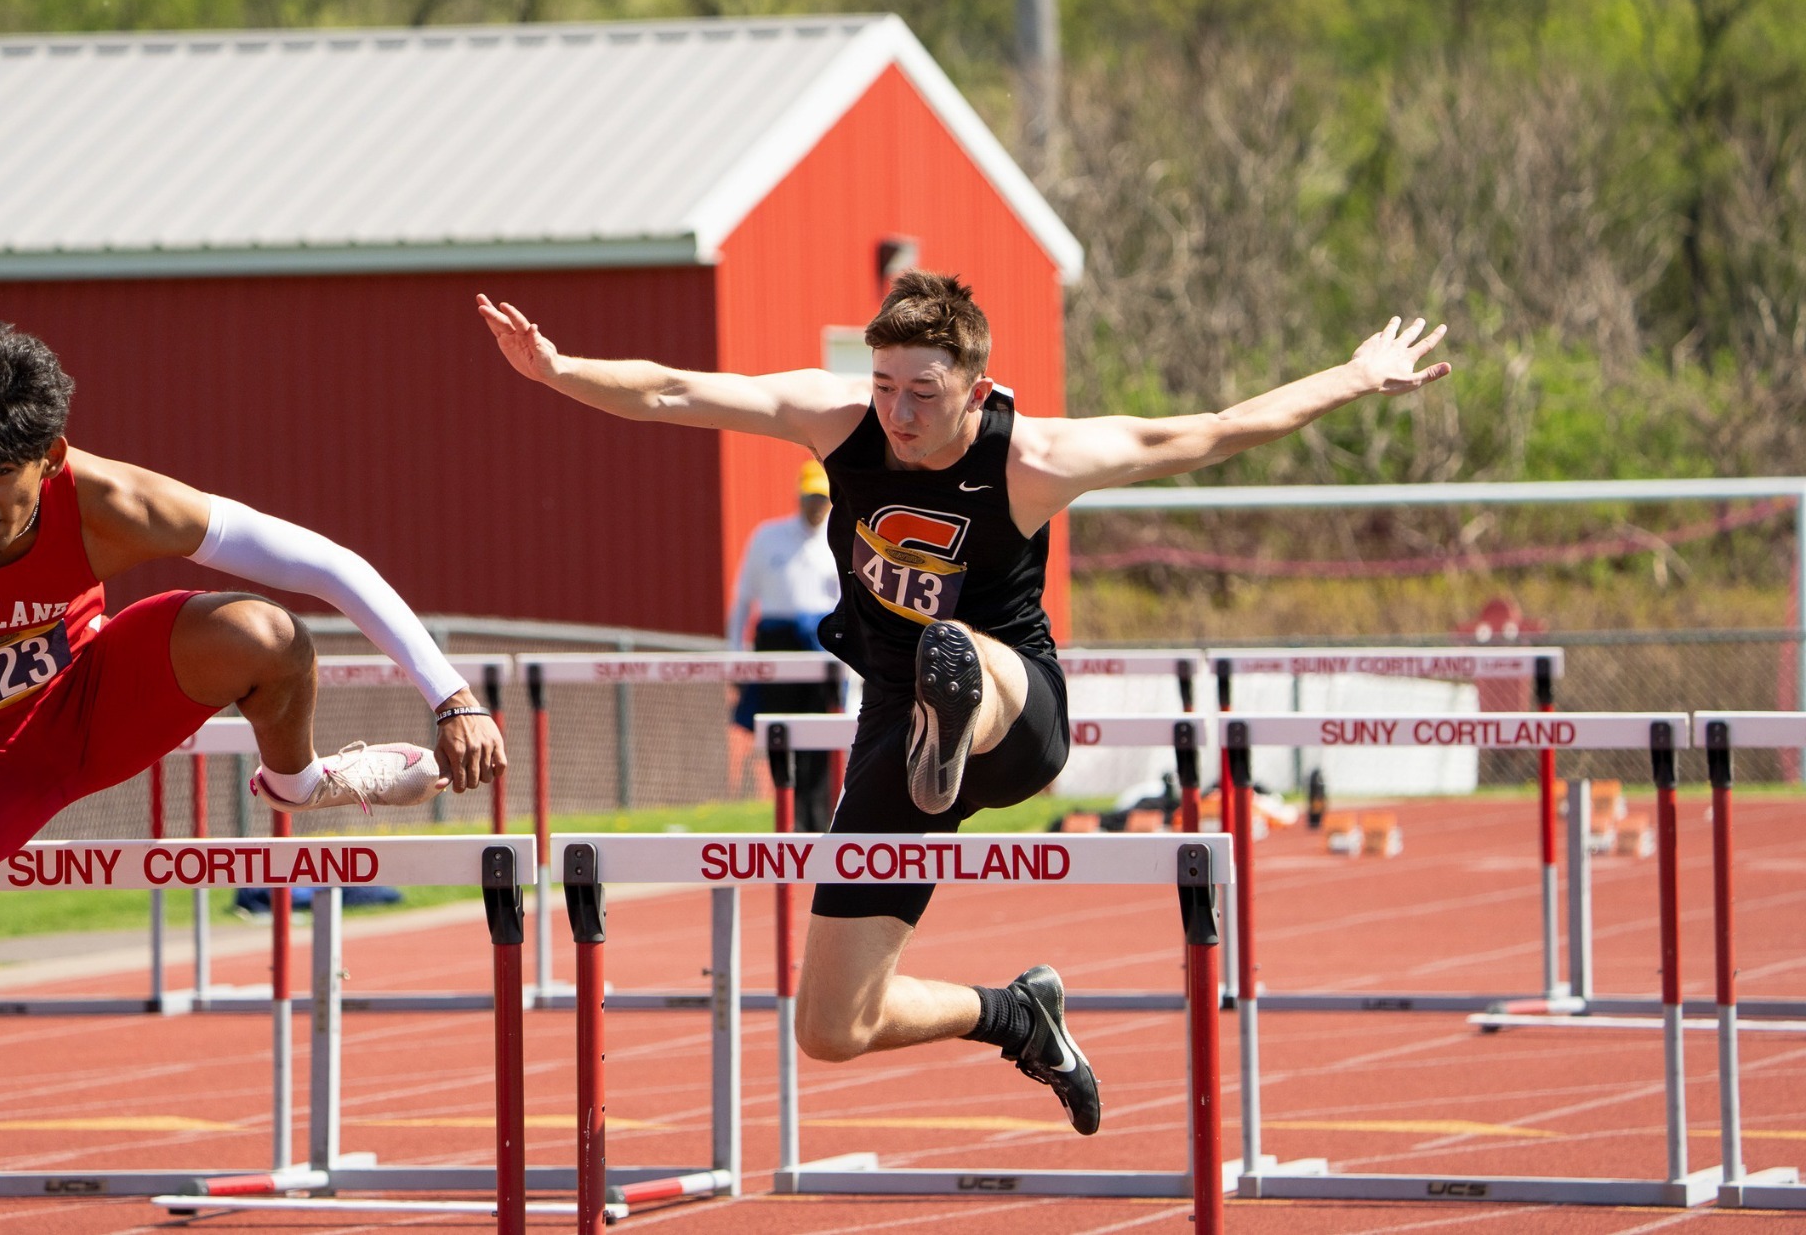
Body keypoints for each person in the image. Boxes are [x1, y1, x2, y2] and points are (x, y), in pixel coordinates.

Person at [480, 272, 1447, 1136]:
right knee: (831, 1025)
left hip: (1016, 713)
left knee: (956, 654)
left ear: (974, 390)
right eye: (885, 385)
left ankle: (952, 719)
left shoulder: (1032, 458)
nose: (898, 412)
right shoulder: (838, 422)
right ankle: (1016, 1014)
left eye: (924, 393)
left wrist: (1359, 374)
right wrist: (558, 369)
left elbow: (1212, 432)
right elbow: (672, 389)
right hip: (897, 723)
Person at [0, 321, 505, 1191]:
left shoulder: (111, 500)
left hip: (91, 702)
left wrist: (452, 695)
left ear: (51, 458)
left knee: (264, 631)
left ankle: (299, 779)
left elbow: (325, 563)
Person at [725, 459, 843, 831]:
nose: (815, 506)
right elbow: (743, 598)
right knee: (780, 735)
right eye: (810, 498)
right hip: (776, 645)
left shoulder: (840, 538)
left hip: (822, 646)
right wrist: (735, 658)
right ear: (799, 497)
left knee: (822, 739)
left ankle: (819, 822)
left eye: (821, 499)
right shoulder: (767, 536)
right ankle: (788, 820)